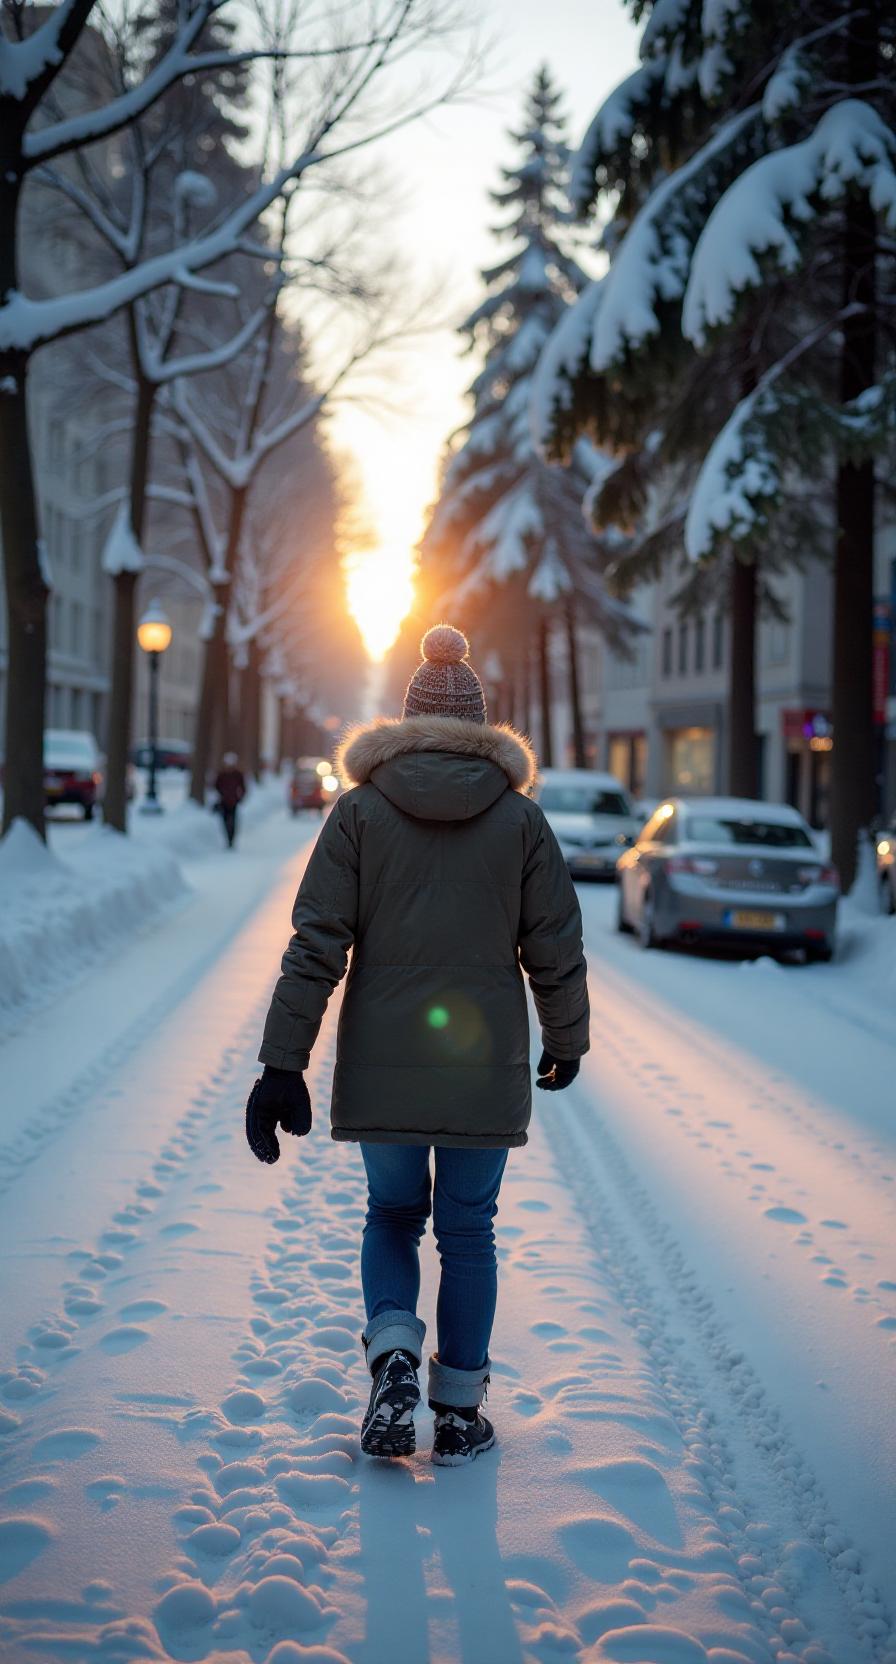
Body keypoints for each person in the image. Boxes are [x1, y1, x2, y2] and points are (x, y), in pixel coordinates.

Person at [246, 625, 589, 1466]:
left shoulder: (358, 812)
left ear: (404, 724)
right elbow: (555, 944)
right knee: (469, 1232)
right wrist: (566, 1037)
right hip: (482, 1062)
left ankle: (393, 1355)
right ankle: (461, 1414)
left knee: (393, 1214)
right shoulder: (520, 822)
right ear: (481, 729)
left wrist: (281, 1062)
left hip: (383, 1059)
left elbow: (315, 942)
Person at [214, 752, 246, 848]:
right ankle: (228, 839)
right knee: (225, 821)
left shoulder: (238, 774)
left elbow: (243, 787)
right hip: (224, 802)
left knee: (233, 821)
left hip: (233, 802)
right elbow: (216, 786)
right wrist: (221, 794)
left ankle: (231, 839)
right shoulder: (221, 774)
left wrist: (239, 797)